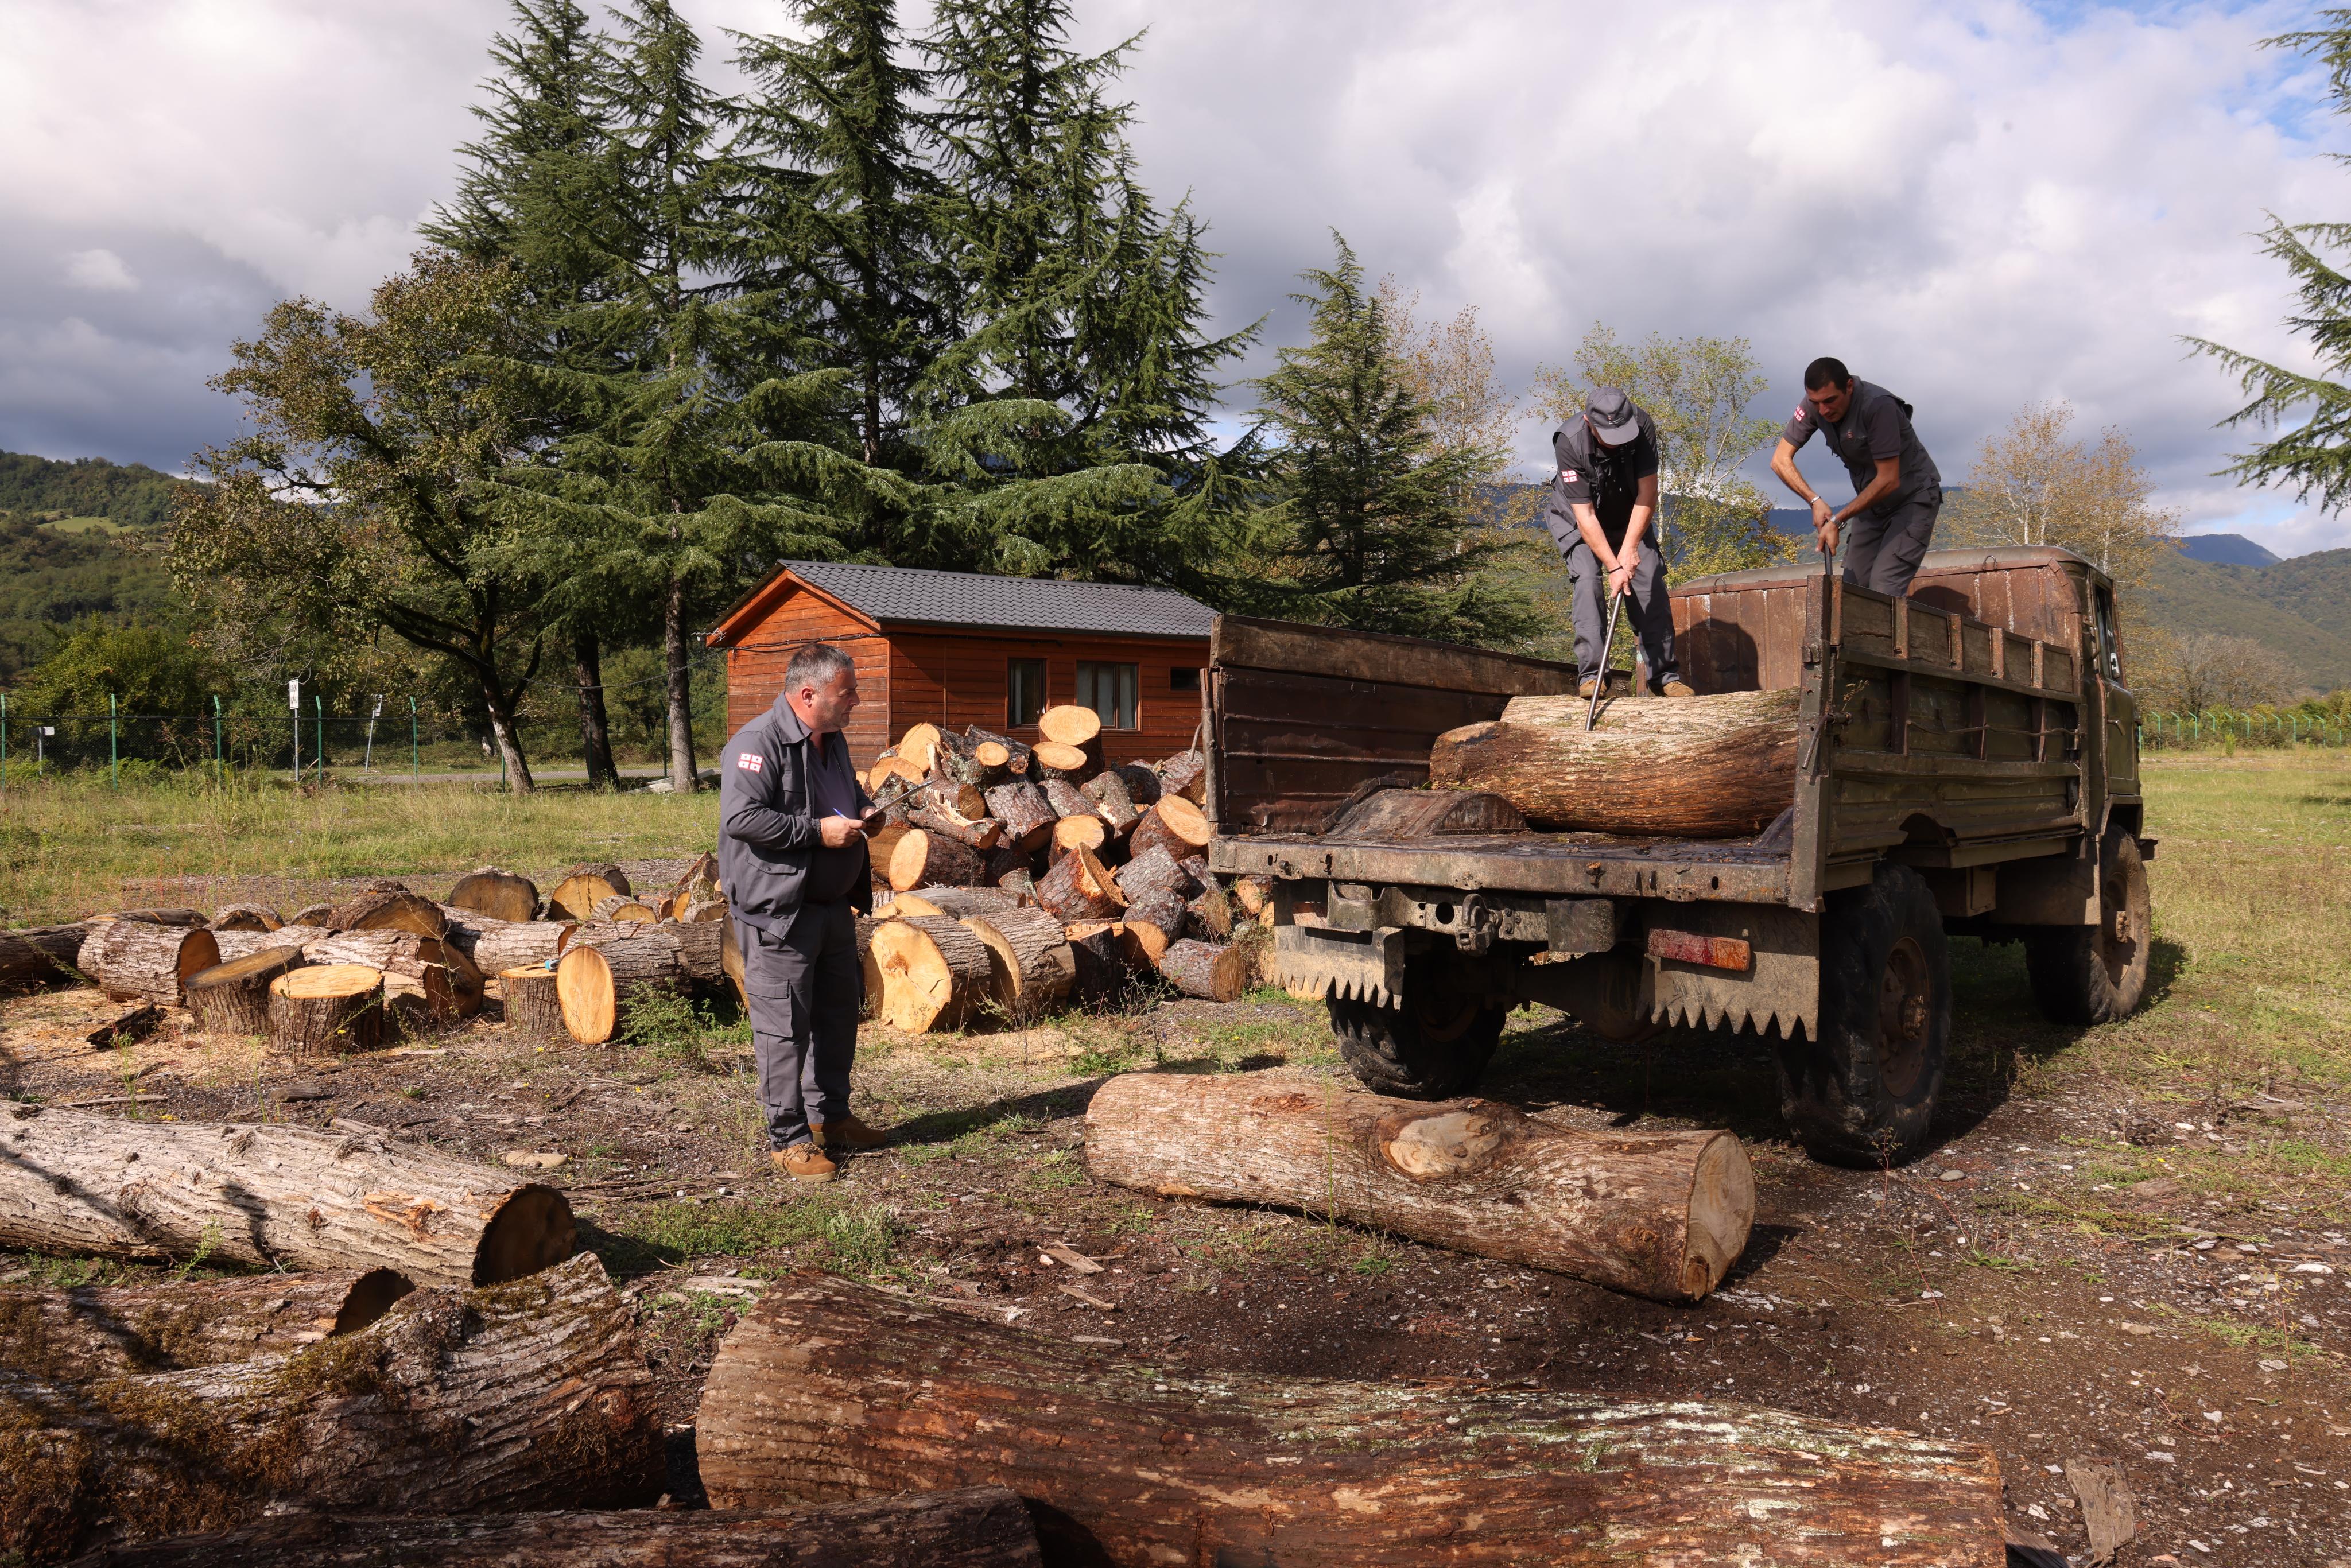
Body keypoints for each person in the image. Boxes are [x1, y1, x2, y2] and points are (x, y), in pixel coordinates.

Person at [719, 642, 889, 1183]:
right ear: (808, 694)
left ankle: (829, 1117)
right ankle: (788, 1139)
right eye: (849, 693)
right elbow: (743, 818)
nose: (857, 701)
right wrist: (818, 832)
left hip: (834, 908)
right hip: (780, 913)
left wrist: (863, 813)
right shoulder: (755, 742)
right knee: (783, 1029)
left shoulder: (832, 740)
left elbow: (846, 792)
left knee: (838, 1017)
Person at [1543, 386, 1692, 698]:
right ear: (1589, 422)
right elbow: (1585, 517)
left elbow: (1648, 492)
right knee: (1588, 580)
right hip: (1578, 518)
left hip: (1629, 515)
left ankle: (1665, 678)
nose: (1618, 441)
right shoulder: (1568, 441)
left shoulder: (1643, 424)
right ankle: (1592, 676)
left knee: (1648, 578)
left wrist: (1630, 548)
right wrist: (1613, 566)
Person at [1770, 357, 1943, 596]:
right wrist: (1814, 500)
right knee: (1852, 592)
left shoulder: (1879, 406)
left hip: (1912, 499)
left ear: (1849, 387)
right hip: (1871, 503)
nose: (1824, 410)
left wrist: (1837, 520)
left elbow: (1888, 480)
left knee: (1884, 590)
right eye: (1816, 403)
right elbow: (1779, 460)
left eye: (1830, 401)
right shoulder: (1815, 405)